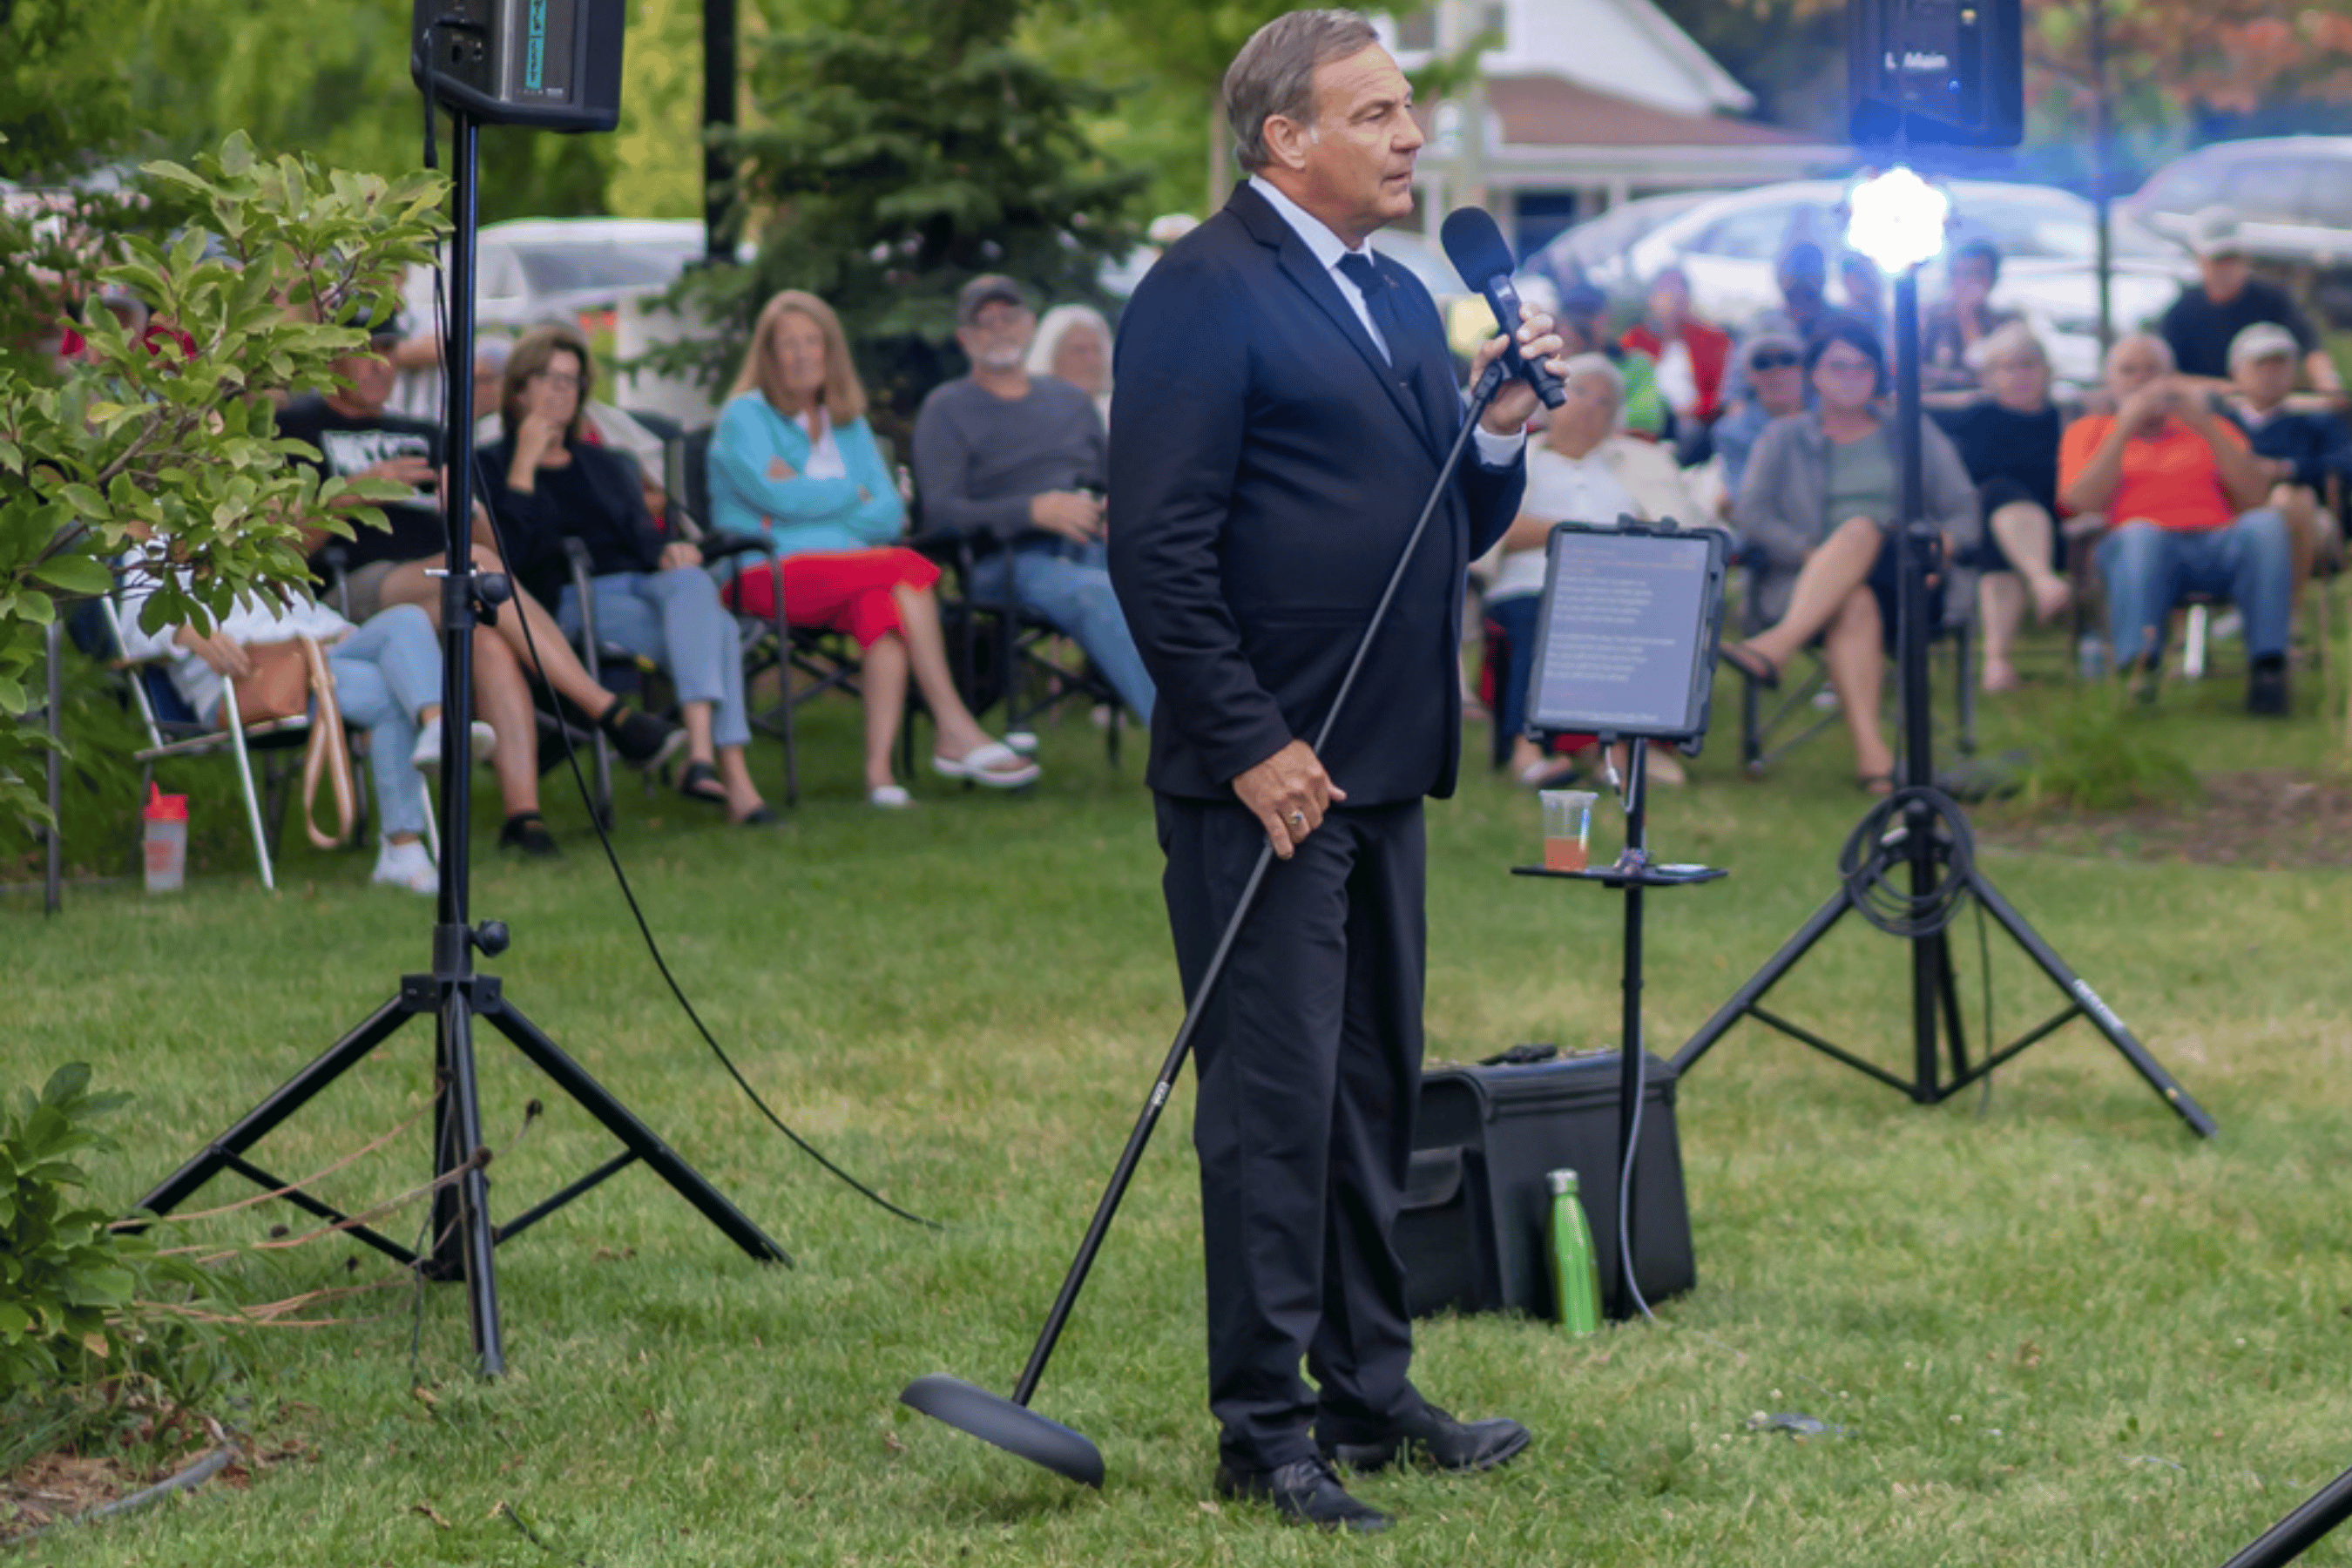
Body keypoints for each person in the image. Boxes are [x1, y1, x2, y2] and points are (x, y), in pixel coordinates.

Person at [1108, 10, 1552, 1533]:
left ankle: (1372, 1388)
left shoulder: (1402, 292)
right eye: (1377, 114)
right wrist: (1248, 744)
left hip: (1382, 766)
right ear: (1285, 137)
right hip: (1271, 779)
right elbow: (1156, 554)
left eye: (1408, 110)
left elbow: (1445, 524)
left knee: (1373, 1093)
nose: (1412, 136)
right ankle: (1264, 1428)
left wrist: (1491, 441)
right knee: (1276, 1107)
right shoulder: (1199, 290)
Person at [277, 316, 683, 857]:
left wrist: (467, 509)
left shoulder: (429, 435)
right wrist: (360, 491)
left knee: (488, 629)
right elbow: (288, 551)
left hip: (447, 585)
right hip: (358, 590)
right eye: (364, 351)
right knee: (471, 568)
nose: (381, 365)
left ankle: (524, 818)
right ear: (330, 361)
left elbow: (500, 549)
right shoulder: (297, 428)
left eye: (389, 350)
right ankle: (607, 711)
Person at [706, 289, 1039, 805]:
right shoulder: (743, 419)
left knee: (881, 608)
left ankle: (879, 775)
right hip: (762, 572)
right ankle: (954, 728)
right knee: (905, 567)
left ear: (829, 350)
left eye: (811, 341)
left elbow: (888, 515)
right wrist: (849, 496)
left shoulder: (849, 423)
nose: (799, 354)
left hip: (853, 572)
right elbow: (772, 496)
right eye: (785, 344)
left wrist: (805, 501)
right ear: (767, 355)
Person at [476, 325, 774, 826]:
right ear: (519, 388)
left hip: (644, 589)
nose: (560, 392)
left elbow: (642, 539)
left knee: (693, 582)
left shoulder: (609, 462)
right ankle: (731, 780)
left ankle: (699, 755)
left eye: (571, 382)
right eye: (548, 378)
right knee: (718, 629)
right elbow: (516, 561)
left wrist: (672, 550)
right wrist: (525, 462)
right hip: (571, 599)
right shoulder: (489, 463)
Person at [1719, 314, 1981, 792]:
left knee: (1860, 529)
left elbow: (1965, 512)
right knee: (1853, 601)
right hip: (1812, 584)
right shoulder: (1783, 437)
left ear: (1879, 374)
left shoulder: (1911, 431)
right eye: (1839, 367)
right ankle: (1874, 760)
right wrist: (1811, 556)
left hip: (1911, 581)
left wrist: (1941, 545)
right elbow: (1752, 517)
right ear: (1814, 374)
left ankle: (1777, 645)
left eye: (1863, 367)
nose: (1852, 378)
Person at [112, 576, 492, 895]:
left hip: (315, 655)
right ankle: (403, 844)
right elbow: (137, 622)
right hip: (248, 679)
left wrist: (340, 632)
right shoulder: (160, 535)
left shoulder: (252, 530)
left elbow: (303, 609)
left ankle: (437, 727)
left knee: (407, 620)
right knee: (390, 692)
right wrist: (189, 632)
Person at [910, 274, 1157, 724]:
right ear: (964, 338)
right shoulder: (946, 409)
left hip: (1090, 545)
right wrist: (1032, 511)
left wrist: (1113, 514)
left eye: (1009, 318)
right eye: (985, 322)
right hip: (1001, 561)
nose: (999, 329)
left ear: (1030, 326)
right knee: (1096, 594)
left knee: (1169, 581)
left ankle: (1250, 724)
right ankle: (1189, 744)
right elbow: (940, 513)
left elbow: (1111, 484)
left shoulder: (1070, 402)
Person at [1481, 354, 1695, 788]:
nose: (1589, 407)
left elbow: (1679, 530)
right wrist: (1578, 536)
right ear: (1552, 398)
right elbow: (1495, 529)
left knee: (1640, 618)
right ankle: (1529, 751)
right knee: (1547, 612)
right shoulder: (1522, 458)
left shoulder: (1639, 465)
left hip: (1621, 587)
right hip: (1528, 583)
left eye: (1604, 401)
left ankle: (1618, 751)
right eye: (1580, 391)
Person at [2061, 333, 2293, 713]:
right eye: (2129, 371)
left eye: (2152, 371)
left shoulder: (2214, 428)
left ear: (2173, 378)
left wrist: (2205, 425)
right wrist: (2124, 426)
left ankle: (2268, 670)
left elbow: (2254, 496)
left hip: (2216, 544)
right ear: (2110, 382)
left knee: (2266, 526)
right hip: (2137, 551)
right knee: (2141, 535)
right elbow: (2080, 502)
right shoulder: (2089, 432)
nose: (2141, 380)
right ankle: (2139, 674)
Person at [1936, 321, 2071, 692]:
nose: (2021, 375)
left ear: (2045, 369)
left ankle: (1997, 663)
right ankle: (2042, 584)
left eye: (2029, 364)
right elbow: (1912, 405)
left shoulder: (2064, 419)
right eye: (2009, 367)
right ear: (1991, 375)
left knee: (1999, 512)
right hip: (1985, 533)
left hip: (2055, 534)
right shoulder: (1976, 415)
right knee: (1995, 493)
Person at [2223, 320, 2351, 596]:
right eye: (2261, 364)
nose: (2271, 373)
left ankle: (2284, 619)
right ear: (2236, 372)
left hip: (2306, 520)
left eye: (2280, 364)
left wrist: (2286, 470)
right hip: (2229, 514)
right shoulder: (2220, 423)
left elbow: (2344, 465)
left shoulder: (2317, 420)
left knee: (2290, 500)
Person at [2159, 208, 2342, 395]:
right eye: (2219, 259)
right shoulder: (2180, 314)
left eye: (2233, 257)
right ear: (2200, 260)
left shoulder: (2274, 300)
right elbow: (2166, 377)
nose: (2227, 267)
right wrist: (2227, 391)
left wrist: (2328, 383)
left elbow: (2311, 348)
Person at [1619, 266, 1730, 426]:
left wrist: (1697, 408)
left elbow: (1721, 392)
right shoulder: (1635, 338)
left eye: (1680, 290)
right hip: (1643, 418)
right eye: (1667, 291)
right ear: (1652, 298)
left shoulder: (1713, 339)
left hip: (1693, 420)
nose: (1675, 297)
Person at [1712, 328, 1807, 508]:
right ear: (1748, 374)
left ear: (1805, 368)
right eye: (1762, 363)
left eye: (1787, 360)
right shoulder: (1732, 432)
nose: (1776, 371)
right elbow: (1747, 501)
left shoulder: (1832, 419)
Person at [1921, 240, 2018, 399]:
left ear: (1993, 278)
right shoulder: (1933, 319)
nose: (1970, 281)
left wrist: (1968, 318)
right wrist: (1958, 379)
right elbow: (1912, 370)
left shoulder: (2006, 322)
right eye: (1964, 273)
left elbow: (1986, 370)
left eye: (1979, 274)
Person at [1025, 302, 1114, 429]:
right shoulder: (1028, 418)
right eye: (1079, 350)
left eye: (1097, 350)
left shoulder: (1123, 416)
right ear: (1051, 356)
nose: (1091, 360)